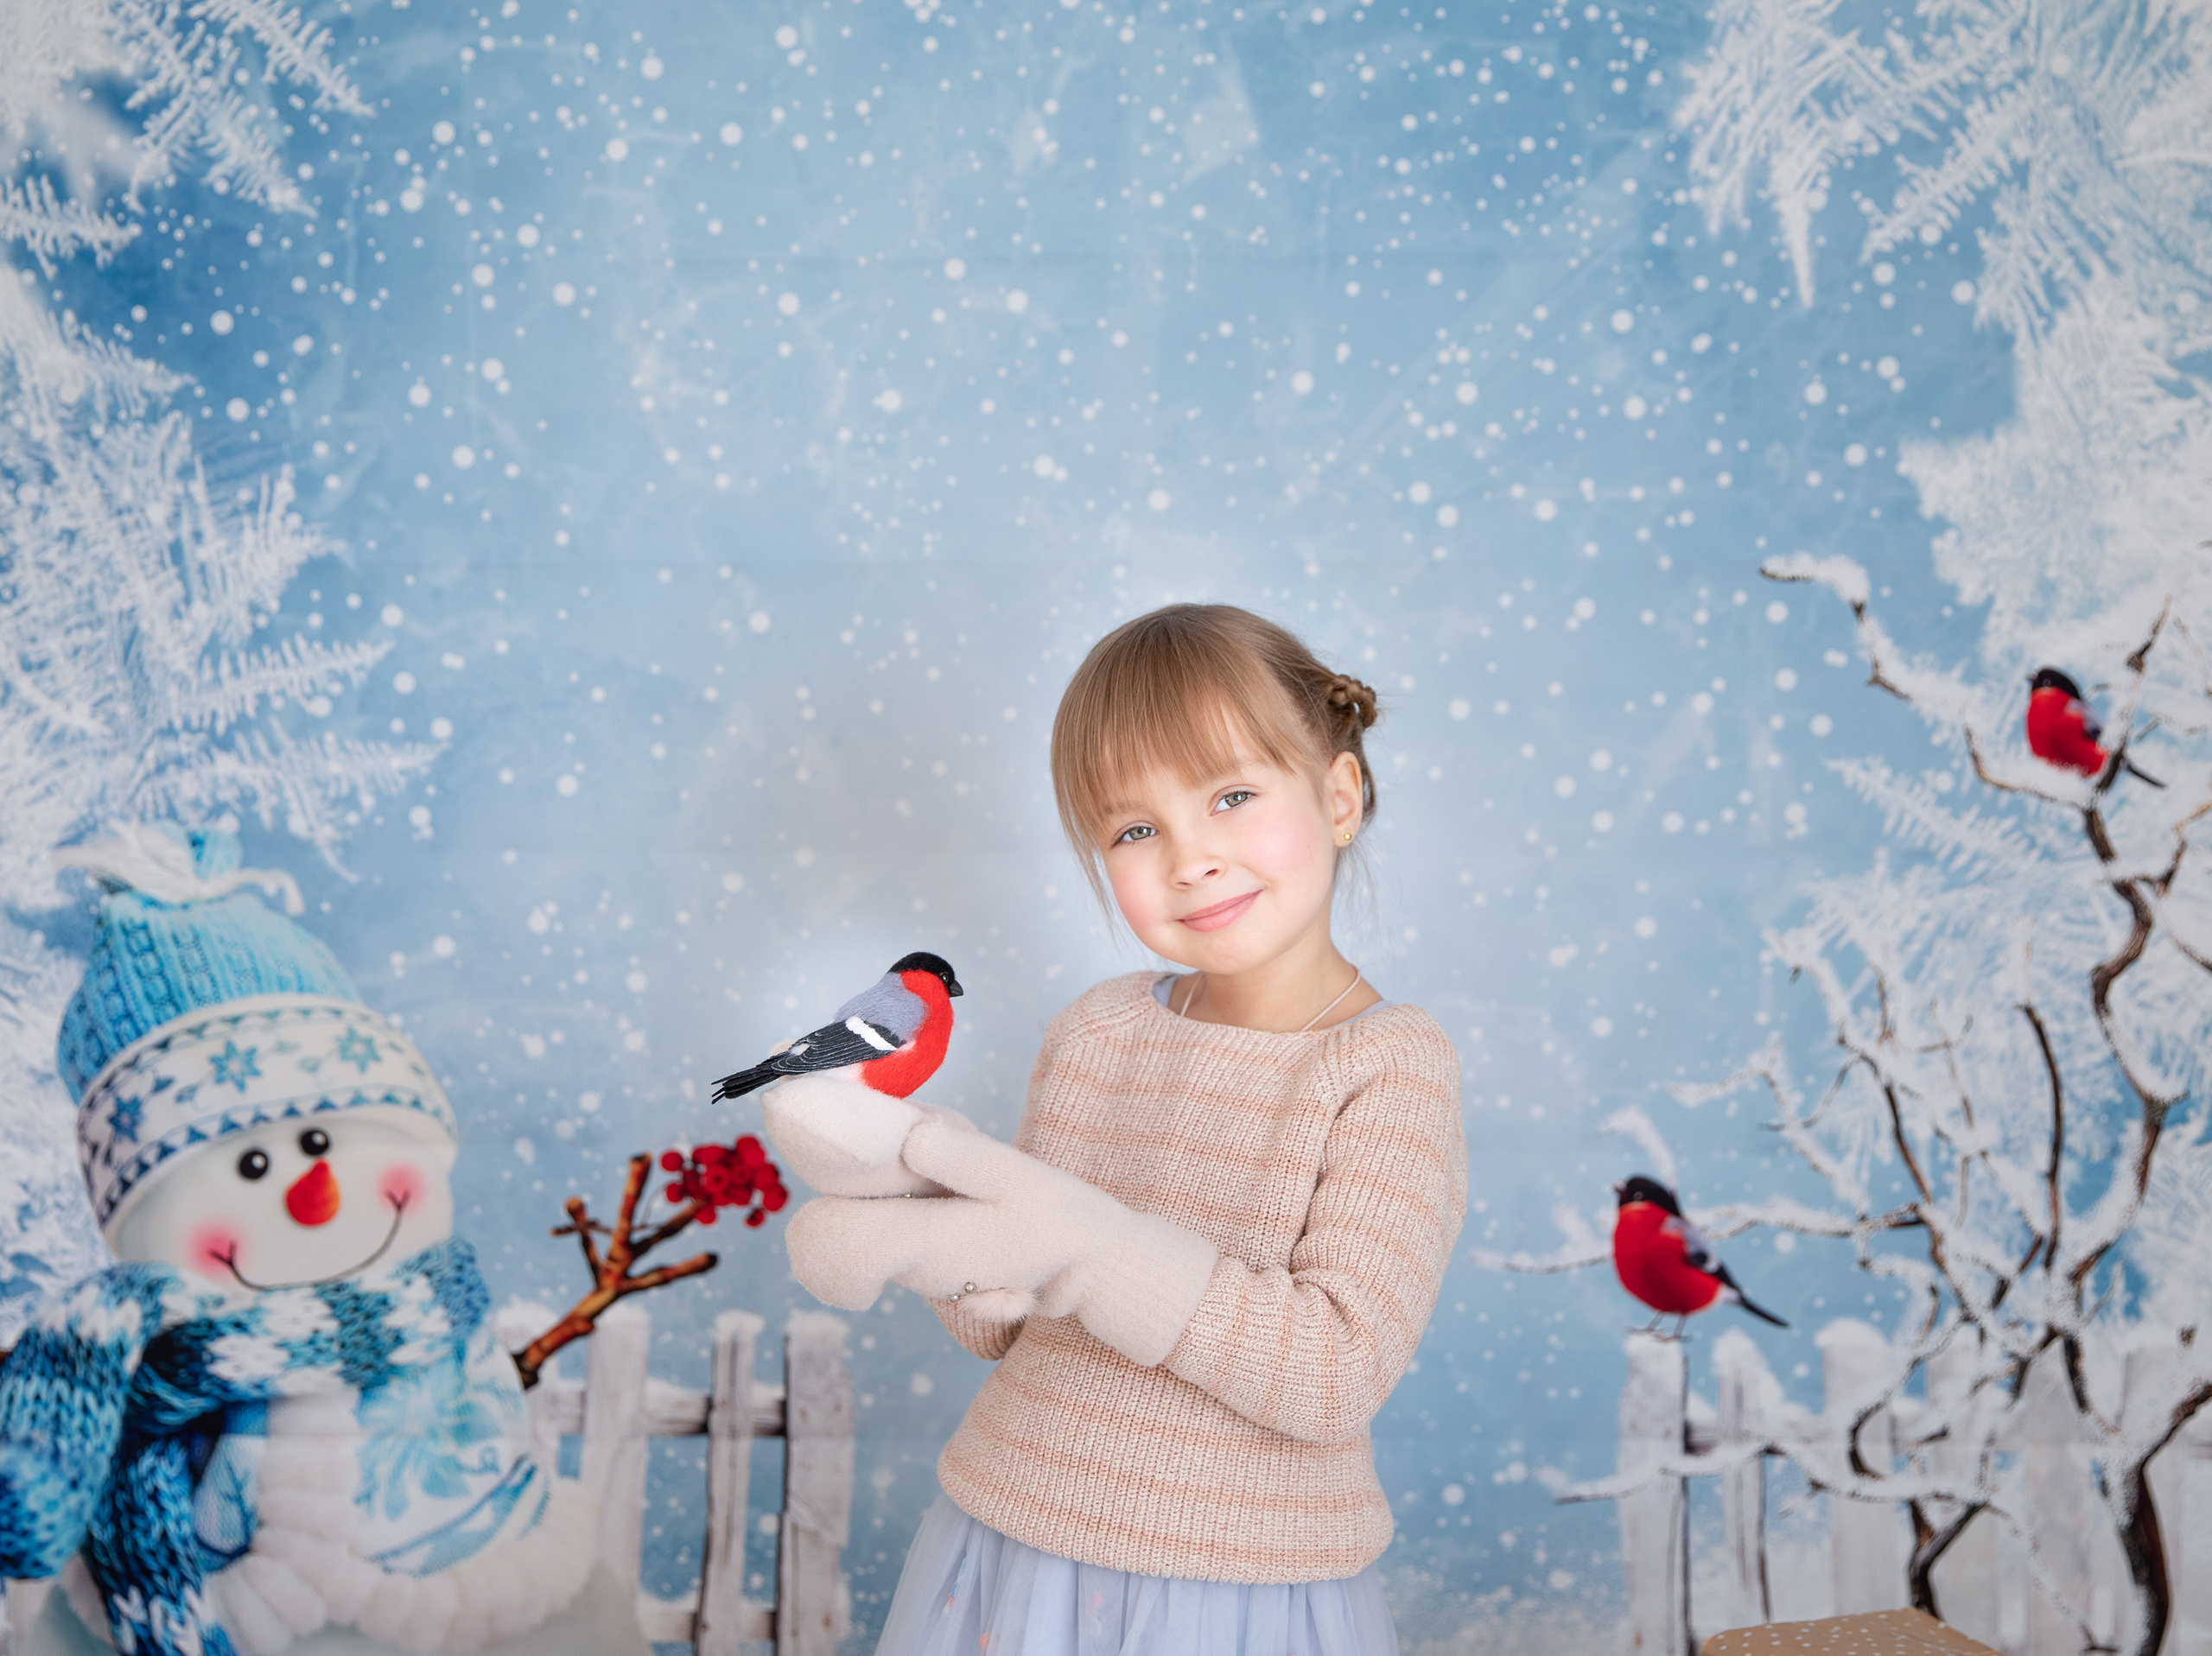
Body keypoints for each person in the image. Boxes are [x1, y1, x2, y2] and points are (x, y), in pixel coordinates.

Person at [788, 603, 1468, 1655]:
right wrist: (923, 1191)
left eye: (1232, 796)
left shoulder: (1384, 1064)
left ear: (1339, 796)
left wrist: (1094, 1246)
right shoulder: (1101, 1031)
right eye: (1134, 828)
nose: (1190, 858)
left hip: (1235, 1589)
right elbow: (1011, 1325)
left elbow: (1332, 1375)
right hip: (1010, 1539)